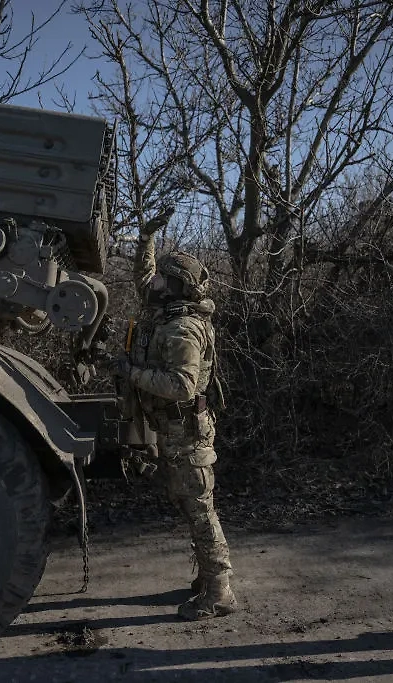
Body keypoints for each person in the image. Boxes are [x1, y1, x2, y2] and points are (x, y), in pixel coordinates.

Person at [112, 217, 237, 621]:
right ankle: (208, 578)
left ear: (177, 286)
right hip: (175, 429)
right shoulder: (168, 312)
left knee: (199, 508)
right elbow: (144, 277)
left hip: (186, 430)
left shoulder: (182, 328)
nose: (155, 283)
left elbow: (182, 384)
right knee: (190, 504)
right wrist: (146, 239)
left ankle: (219, 591)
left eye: (164, 278)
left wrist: (132, 374)